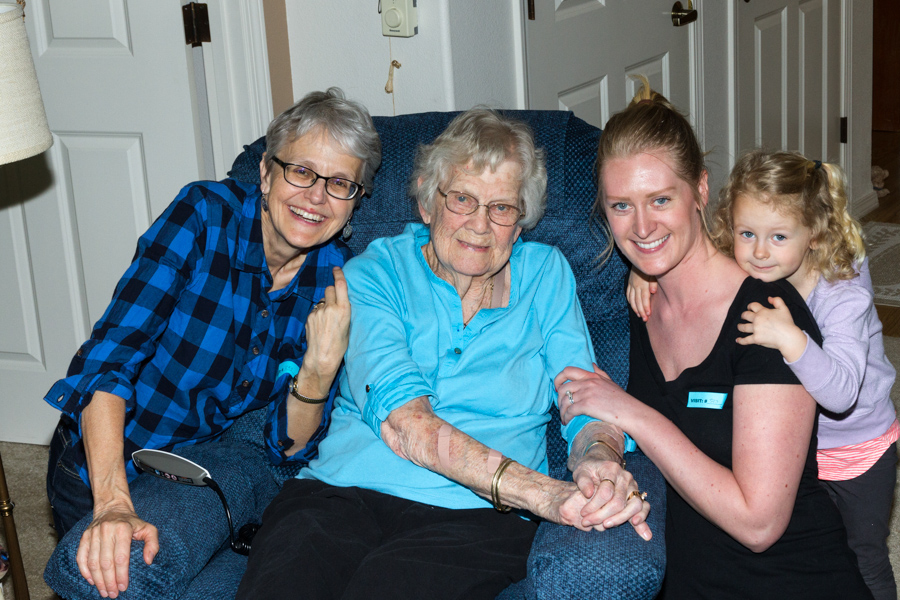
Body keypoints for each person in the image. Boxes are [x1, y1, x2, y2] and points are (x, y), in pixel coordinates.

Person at [237, 109, 652, 600]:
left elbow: (584, 398)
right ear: (427, 202)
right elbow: (406, 425)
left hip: (478, 522)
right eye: (462, 199)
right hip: (336, 497)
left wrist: (598, 460)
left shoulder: (547, 274)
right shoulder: (376, 272)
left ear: (520, 223)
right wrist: (547, 495)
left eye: (502, 208)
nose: (480, 225)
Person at [43, 87, 381, 599]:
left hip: (190, 470)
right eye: (302, 171)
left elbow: (285, 446)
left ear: (356, 201)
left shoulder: (332, 283)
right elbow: (108, 360)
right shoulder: (204, 216)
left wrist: (319, 369)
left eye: (340, 183)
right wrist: (112, 502)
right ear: (267, 172)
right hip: (101, 459)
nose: (316, 197)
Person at [557, 80, 872, 599]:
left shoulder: (766, 316)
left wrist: (631, 412)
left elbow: (759, 523)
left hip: (790, 580)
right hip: (685, 580)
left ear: (700, 191)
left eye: (660, 199)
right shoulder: (629, 304)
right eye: (620, 206)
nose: (641, 227)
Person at [627, 150, 899, 599]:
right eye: (746, 233)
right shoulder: (758, 271)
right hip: (799, 457)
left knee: (864, 558)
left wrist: (792, 340)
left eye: (778, 237)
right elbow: (694, 262)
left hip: (854, 451)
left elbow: (842, 394)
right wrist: (642, 272)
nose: (757, 251)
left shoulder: (843, 294)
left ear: (813, 233)